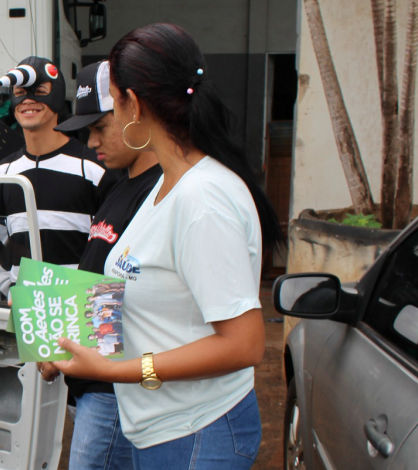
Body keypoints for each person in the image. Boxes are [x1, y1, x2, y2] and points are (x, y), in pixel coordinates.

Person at [49, 24, 282, 470]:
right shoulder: (163, 188)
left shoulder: (201, 198)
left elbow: (245, 345)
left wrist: (114, 371)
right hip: (162, 428)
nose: (107, 124)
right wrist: (67, 340)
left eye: (113, 103)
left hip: (197, 431)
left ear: (133, 104)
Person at [36, 60, 161, 470]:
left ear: (134, 112)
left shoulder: (164, 193)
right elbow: (102, 282)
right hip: (95, 378)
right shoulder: (119, 183)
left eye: (100, 127)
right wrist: (57, 341)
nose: (90, 142)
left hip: (117, 386)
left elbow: (141, 295)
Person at [0, 56, 109, 299]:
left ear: (57, 96)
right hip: (25, 314)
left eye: (40, 91)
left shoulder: (93, 168)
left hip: (78, 311)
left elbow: (113, 249)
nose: (28, 100)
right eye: (20, 92)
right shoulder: (3, 174)